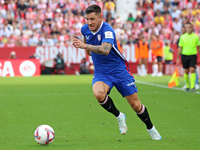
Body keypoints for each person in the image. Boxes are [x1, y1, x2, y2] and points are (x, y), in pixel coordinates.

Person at [72, 4, 161, 140]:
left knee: (136, 105)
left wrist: (84, 46)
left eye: (92, 19)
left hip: (119, 71)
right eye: (87, 19)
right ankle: (119, 116)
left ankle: (151, 128)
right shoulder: (85, 29)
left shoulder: (108, 30)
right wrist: (86, 48)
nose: (89, 22)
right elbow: (89, 52)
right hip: (102, 72)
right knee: (98, 94)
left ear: (100, 17)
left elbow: (106, 49)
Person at [177, 22, 200, 92]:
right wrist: (178, 58)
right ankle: (187, 85)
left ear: (192, 28)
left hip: (193, 55)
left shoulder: (196, 37)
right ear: (186, 28)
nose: (188, 28)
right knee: (186, 71)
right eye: (187, 27)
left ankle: (193, 86)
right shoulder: (183, 37)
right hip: (184, 55)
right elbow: (180, 48)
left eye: (189, 27)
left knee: (192, 70)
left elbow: (198, 47)